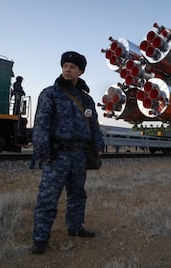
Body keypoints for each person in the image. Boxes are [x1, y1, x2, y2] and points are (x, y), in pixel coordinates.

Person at [31, 51, 104, 255]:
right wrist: (42, 151)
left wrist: (99, 144)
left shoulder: (86, 99)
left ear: (80, 71)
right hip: (57, 154)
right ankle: (40, 238)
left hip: (79, 155)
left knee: (78, 194)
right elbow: (41, 124)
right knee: (48, 197)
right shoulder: (50, 93)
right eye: (65, 65)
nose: (67, 69)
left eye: (72, 67)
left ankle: (76, 227)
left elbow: (94, 125)